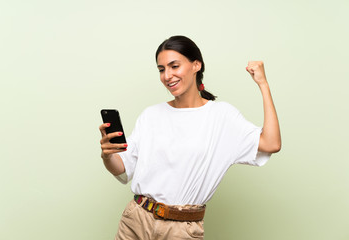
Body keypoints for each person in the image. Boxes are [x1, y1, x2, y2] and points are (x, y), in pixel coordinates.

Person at [99, 35, 281, 240]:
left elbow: (271, 143)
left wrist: (263, 84)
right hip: (135, 220)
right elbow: (123, 168)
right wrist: (107, 155)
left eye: (174, 66)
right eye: (161, 69)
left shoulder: (221, 116)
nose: (167, 75)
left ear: (196, 65)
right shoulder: (151, 115)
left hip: (180, 228)